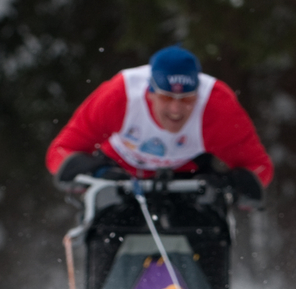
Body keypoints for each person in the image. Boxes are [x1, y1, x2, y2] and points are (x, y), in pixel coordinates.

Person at [46, 45, 273, 202]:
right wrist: (94, 171)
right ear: (150, 93)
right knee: (108, 226)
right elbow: (61, 151)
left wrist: (230, 182)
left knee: (207, 227)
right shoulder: (119, 95)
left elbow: (259, 167)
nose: (175, 110)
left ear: (198, 95)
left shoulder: (217, 106)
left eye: (187, 100)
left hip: (189, 179)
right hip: (119, 173)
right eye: (166, 98)